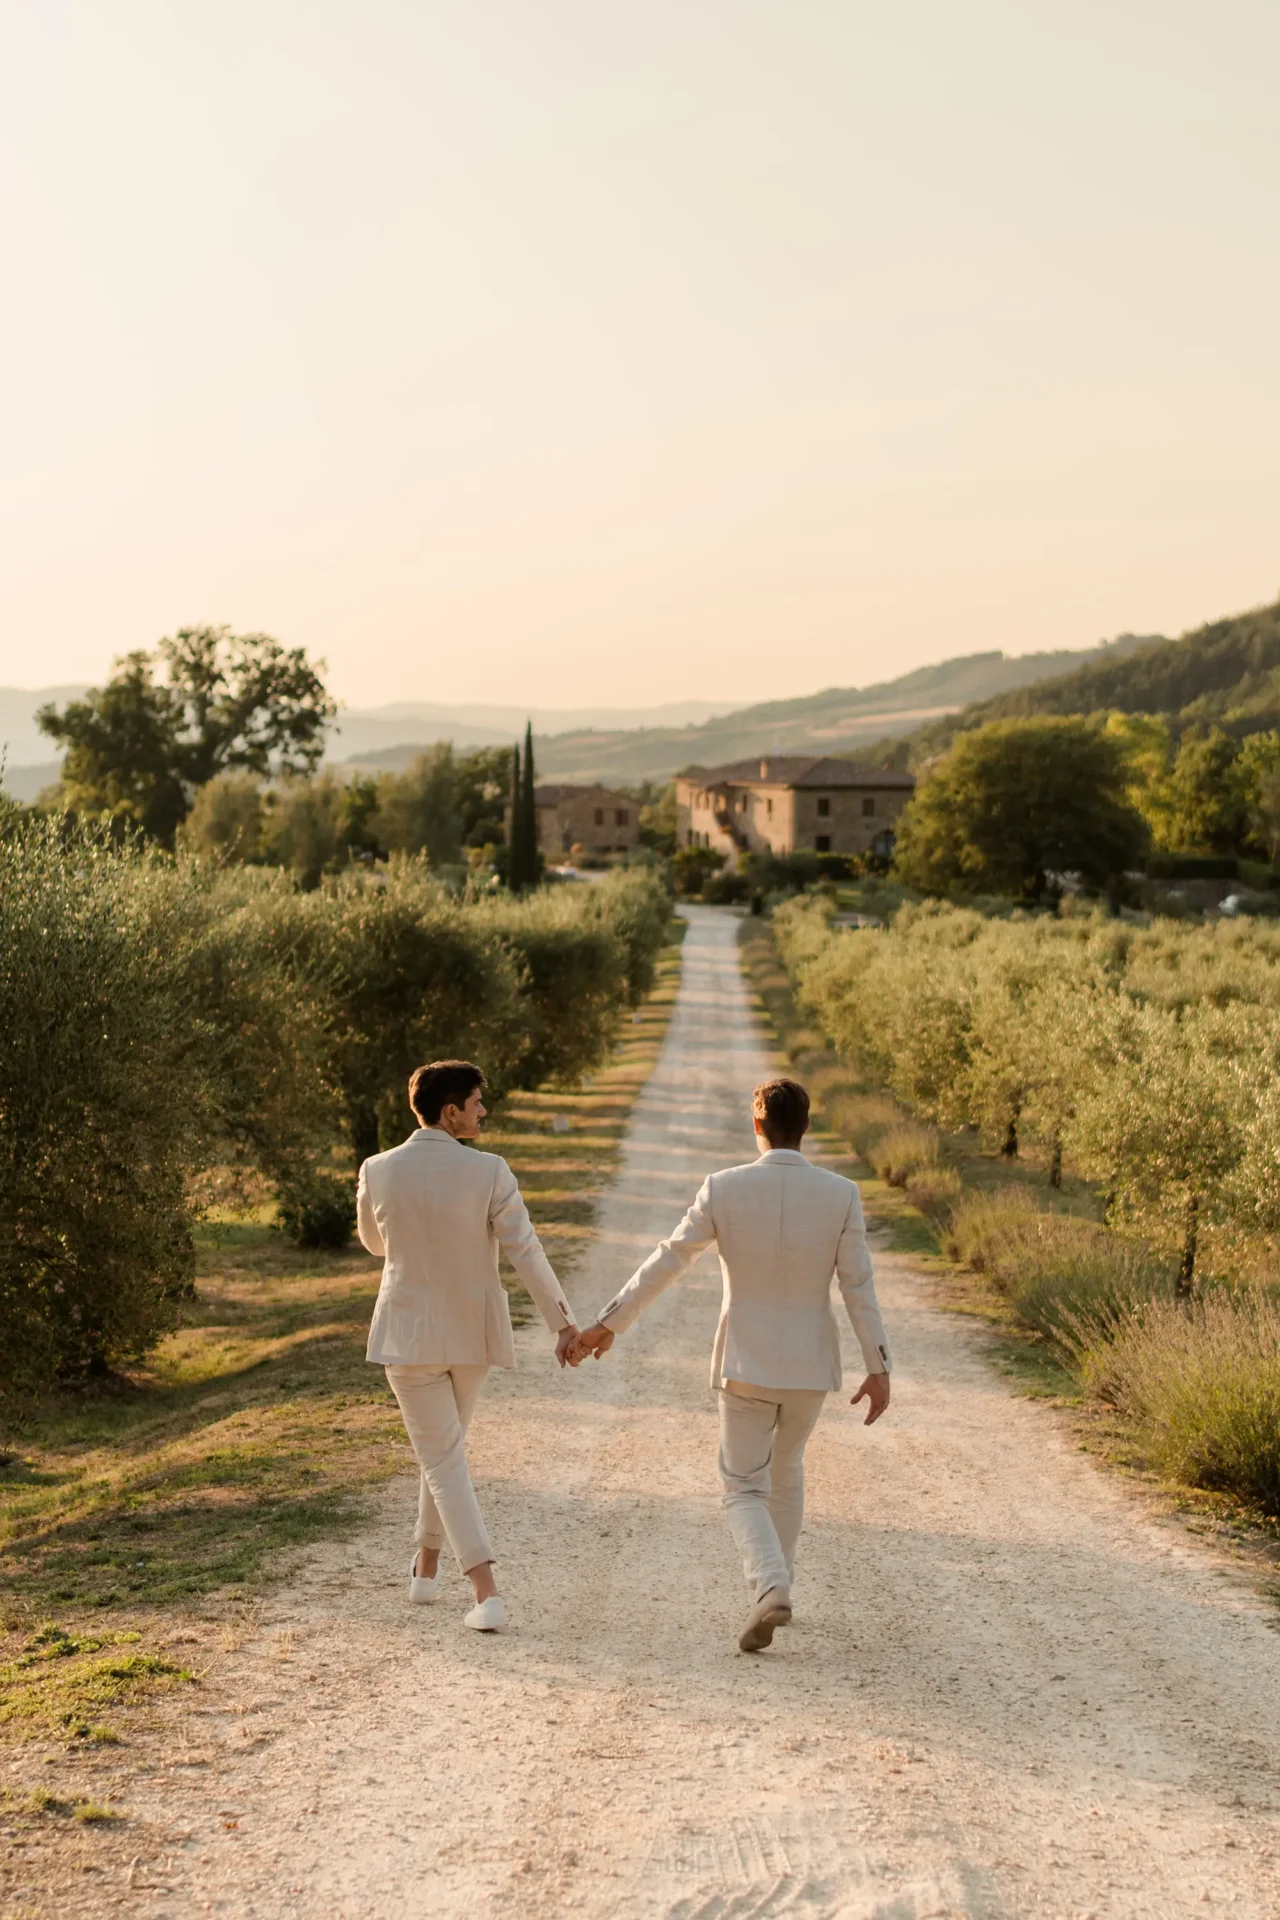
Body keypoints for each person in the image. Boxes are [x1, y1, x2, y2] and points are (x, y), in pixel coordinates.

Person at [571, 1077, 891, 1652]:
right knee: (786, 1471)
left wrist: (607, 1322)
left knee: (743, 1486)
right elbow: (858, 1285)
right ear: (807, 1128)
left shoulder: (724, 1188)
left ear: (757, 1125)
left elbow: (669, 1260)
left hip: (744, 1361)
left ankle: (770, 1585)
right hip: (810, 1365)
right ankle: (781, 1582)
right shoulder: (841, 1193)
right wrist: (879, 1365)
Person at [358, 1059, 580, 1632]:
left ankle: (464, 1582)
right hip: (472, 1335)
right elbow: (525, 1249)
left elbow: (374, 1244)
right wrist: (563, 1324)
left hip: (407, 1335)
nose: (484, 1110)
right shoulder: (491, 1171)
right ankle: (447, 1575)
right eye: (478, 1101)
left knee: (442, 1456)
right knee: (446, 1454)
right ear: (450, 1110)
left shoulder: (377, 1169)